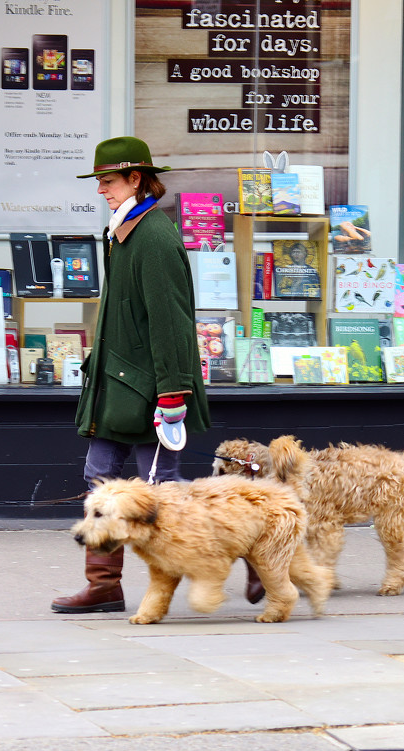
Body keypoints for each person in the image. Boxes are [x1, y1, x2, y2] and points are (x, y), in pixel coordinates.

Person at [51, 136, 263, 613]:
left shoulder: (153, 236)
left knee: (163, 492)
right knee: (100, 475)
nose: (101, 190)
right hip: (117, 385)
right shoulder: (125, 228)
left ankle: (251, 555)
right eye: (100, 181)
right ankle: (104, 585)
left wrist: (172, 392)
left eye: (108, 181)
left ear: (135, 179)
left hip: (148, 389)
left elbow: (170, 321)